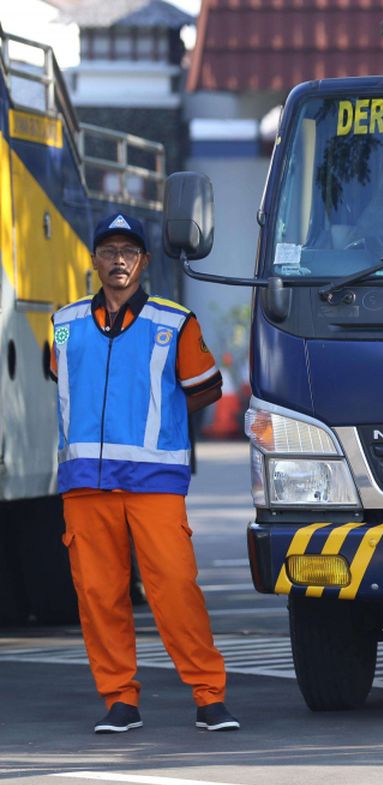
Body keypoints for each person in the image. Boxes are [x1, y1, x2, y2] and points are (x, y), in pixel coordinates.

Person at [50, 212, 239, 734]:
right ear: (95, 260)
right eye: (109, 251)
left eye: (128, 252)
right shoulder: (63, 325)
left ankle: (209, 695)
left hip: (154, 485)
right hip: (85, 485)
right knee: (98, 595)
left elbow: (204, 389)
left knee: (175, 589)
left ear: (144, 262)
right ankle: (119, 701)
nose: (118, 261)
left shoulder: (174, 322)